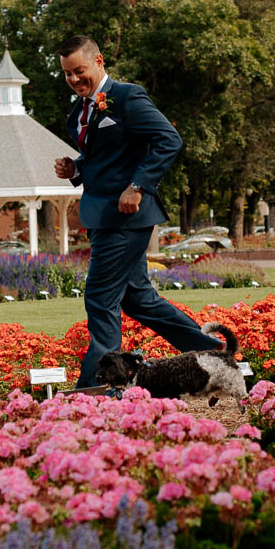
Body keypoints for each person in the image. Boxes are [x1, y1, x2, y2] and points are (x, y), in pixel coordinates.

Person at [50, 35, 223, 386]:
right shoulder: (80, 109)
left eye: (79, 70)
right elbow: (107, 158)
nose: (73, 79)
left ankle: (99, 387)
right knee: (139, 300)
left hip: (127, 218)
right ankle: (214, 358)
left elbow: (169, 140)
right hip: (101, 217)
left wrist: (138, 185)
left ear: (98, 61)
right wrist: (76, 169)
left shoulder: (128, 97)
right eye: (67, 74)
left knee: (100, 299)